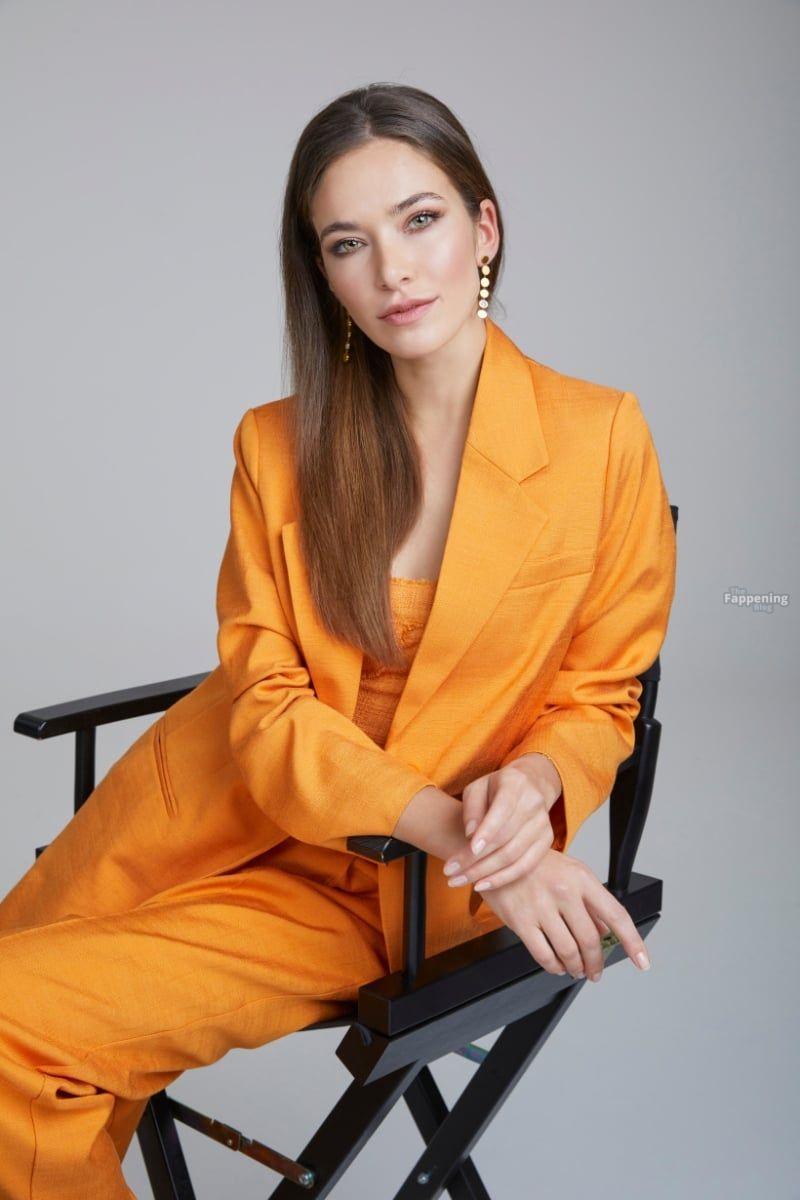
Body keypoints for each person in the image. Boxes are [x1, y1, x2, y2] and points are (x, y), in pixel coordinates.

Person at [0, 82, 677, 1196]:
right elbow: (265, 700)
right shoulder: (277, 444)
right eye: (348, 243)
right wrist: (469, 834)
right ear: (322, 273)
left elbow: (601, 696)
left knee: (16, 1027)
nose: (393, 271)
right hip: (209, 811)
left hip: (389, 892)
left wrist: (528, 791)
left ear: (484, 228)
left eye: (421, 220)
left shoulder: (600, 437)